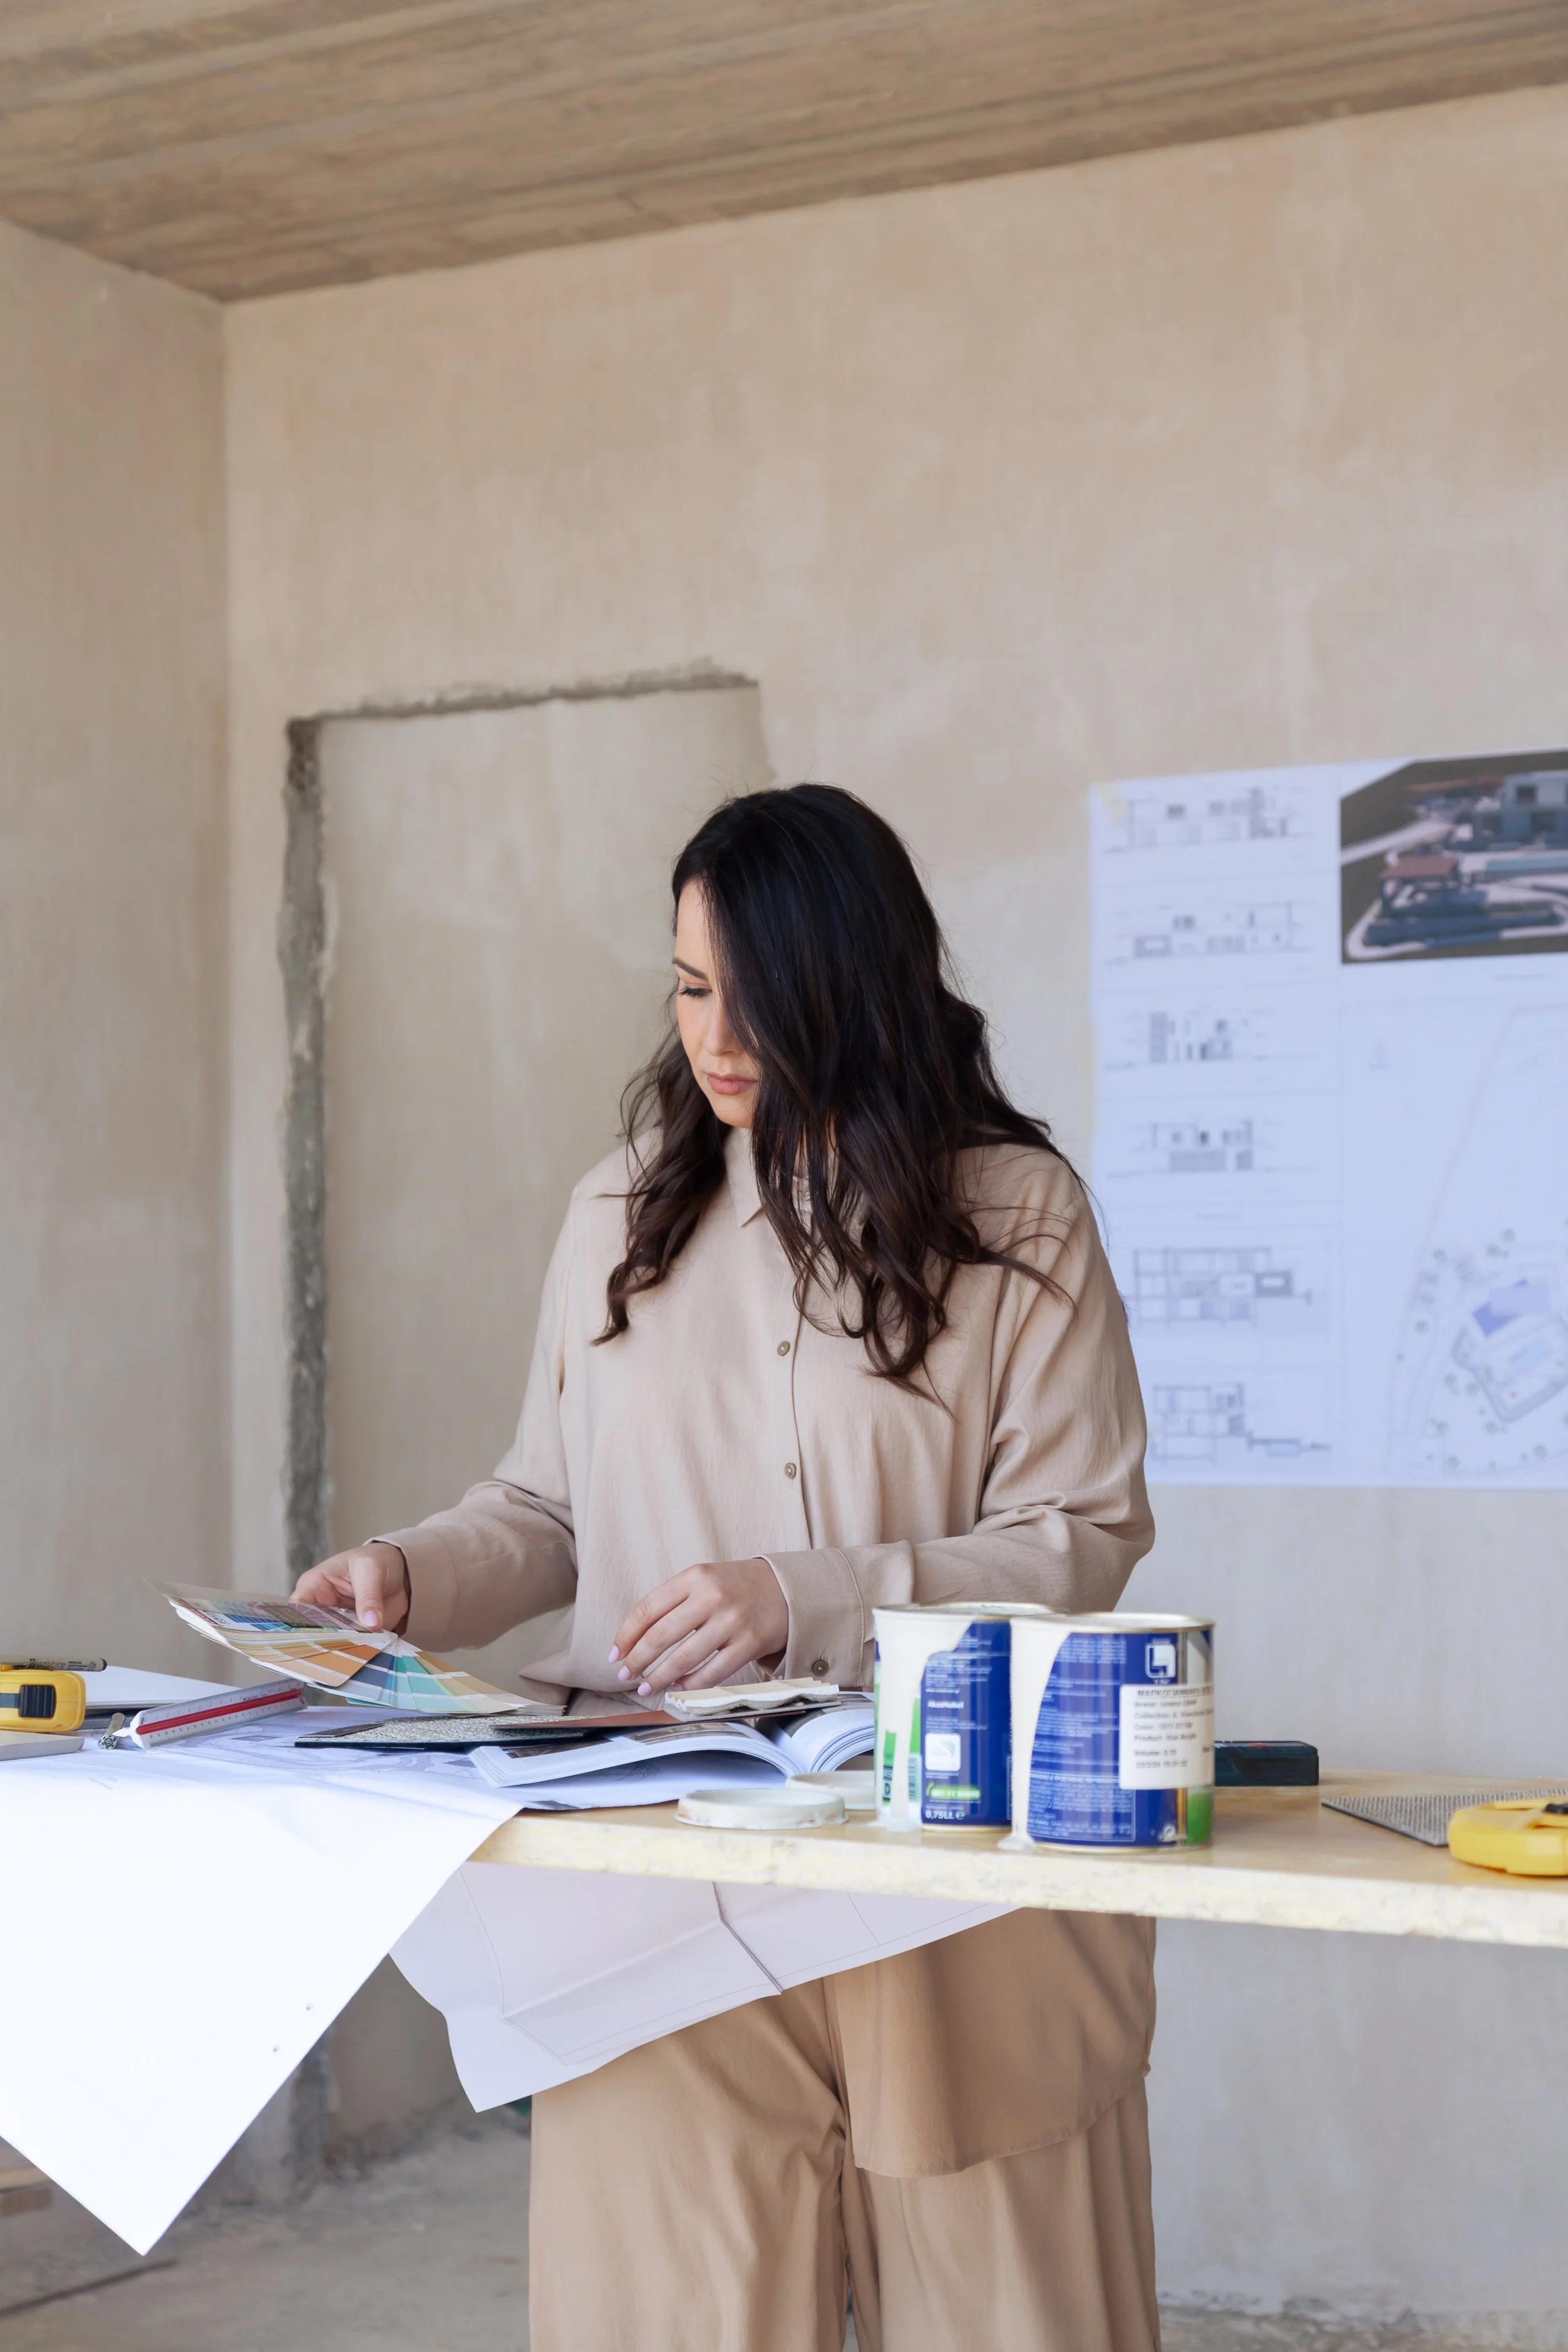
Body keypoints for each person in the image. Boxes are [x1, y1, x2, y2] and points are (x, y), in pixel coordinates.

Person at [297, 784, 1158, 2352]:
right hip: (658, 1871)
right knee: (666, 2312)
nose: (717, 1035)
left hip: (945, 1886)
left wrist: (802, 1595)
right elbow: (549, 1510)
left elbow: (1077, 1541)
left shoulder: (1017, 1221)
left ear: (861, 982)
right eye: (692, 987)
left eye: (760, 993)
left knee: (1003, 2314)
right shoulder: (620, 1212)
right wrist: (407, 1575)